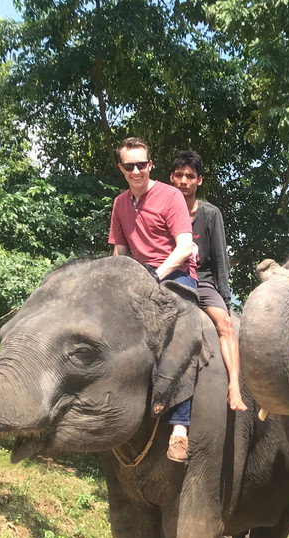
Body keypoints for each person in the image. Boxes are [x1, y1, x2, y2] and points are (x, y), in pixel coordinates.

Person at [108, 136, 195, 462]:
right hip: (137, 278)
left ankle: (180, 428)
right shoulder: (119, 203)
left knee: (181, 337)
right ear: (122, 168)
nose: (136, 171)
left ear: (150, 165)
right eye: (129, 166)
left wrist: (156, 276)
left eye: (141, 165)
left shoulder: (171, 196)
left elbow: (184, 247)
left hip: (174, 276)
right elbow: (119, 253)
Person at [169, 150, 247, 412]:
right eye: (179, 175)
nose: (184, 181)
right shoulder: (163, 211)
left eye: (190, 176)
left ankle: (234, 386)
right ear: (171, 178)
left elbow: (220, 258)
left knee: (226, 324)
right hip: (172, 281)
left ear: (199, 180)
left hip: (201, 281)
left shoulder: (210, 214)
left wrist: (224, 297)